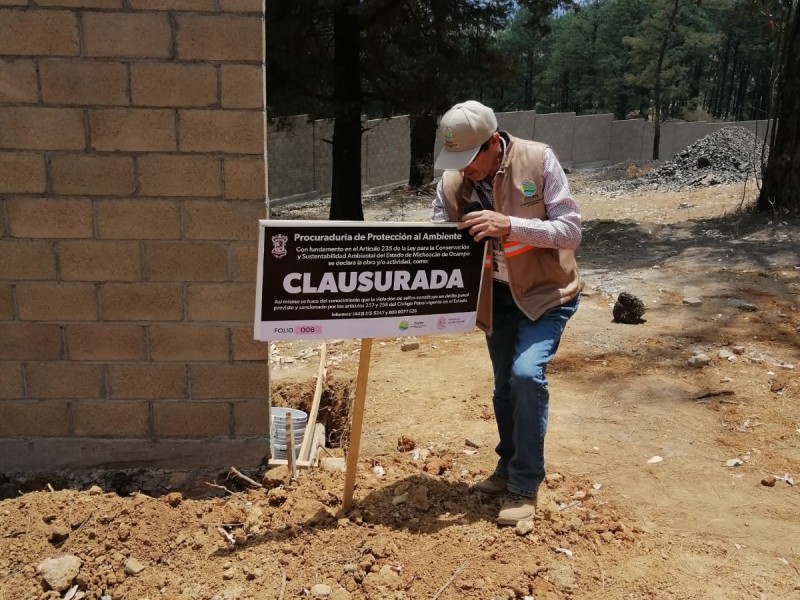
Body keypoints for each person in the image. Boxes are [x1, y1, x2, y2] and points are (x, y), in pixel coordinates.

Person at [431, 100, 582, 526]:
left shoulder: (539, 160)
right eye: (455, 161)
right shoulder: (451, 184)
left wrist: (510, 225)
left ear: (493, 143)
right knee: (503, 389)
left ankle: (524, 484)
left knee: (525, 376)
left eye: (470, 160)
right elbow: (437, 238)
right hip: (496, 301)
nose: (465, 171)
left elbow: (571, 230)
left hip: (546, 295)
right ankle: (507, 466)